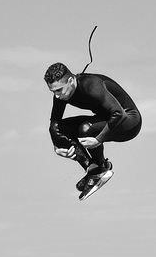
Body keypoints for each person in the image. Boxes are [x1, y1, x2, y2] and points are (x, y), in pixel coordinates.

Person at [45, 61, 142, 199]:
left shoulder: (91, 85)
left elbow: (118, 113)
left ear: (71, 80)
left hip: (129, 121)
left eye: (59, 90)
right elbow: (54, 123)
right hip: (106, 118)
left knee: (86, 129)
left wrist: (98, 139)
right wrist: (58, 146)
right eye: (53, 91)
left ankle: (101, 168)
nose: (57, 96)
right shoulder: (60, 95)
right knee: (57, 129)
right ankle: (93, 170)